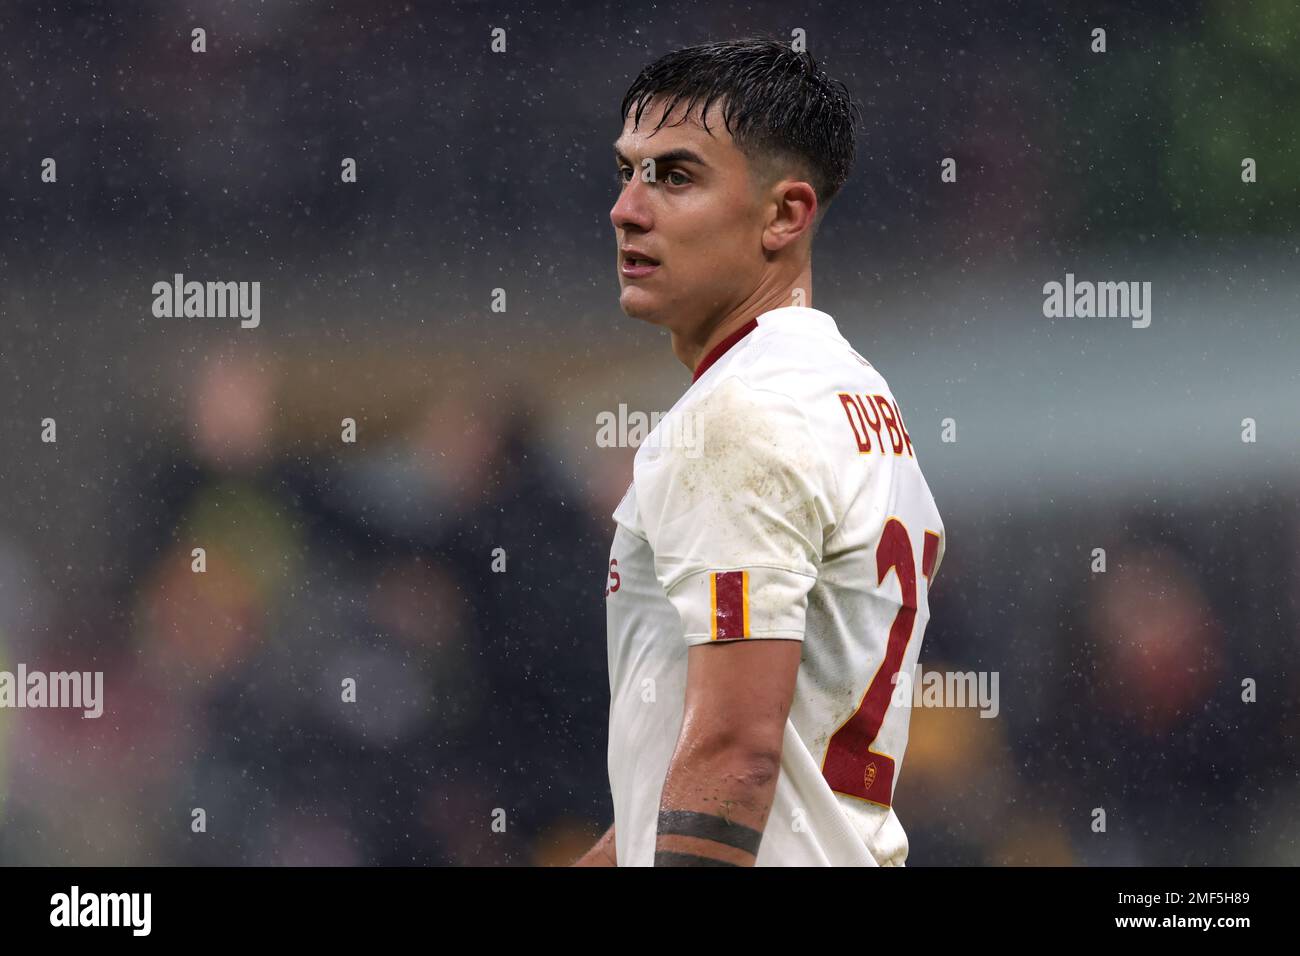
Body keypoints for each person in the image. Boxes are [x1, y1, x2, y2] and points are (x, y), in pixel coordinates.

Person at [573, 36, 946, 867]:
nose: (627, 208)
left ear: (785, 214)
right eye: (627, 170)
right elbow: (703, 774)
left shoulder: (737, 420)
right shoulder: (855, 396)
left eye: (675, 176)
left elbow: (735, 757)